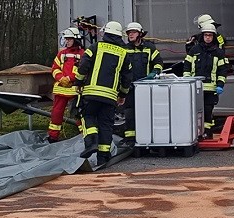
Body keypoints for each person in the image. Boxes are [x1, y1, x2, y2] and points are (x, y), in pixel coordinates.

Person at [74, 20, 133, 167]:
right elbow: (127, 77)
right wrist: (123, 95)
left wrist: (78, 82)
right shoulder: (124, 53)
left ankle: (91, 142)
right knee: (106, 124)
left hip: (92, 93)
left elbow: (83, 65)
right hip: (110, 97)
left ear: (106, 33)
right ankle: (103, 157)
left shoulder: (95, 47)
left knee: (87, 116)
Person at [184, 22, 228, 138]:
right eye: (206, 35)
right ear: (202, 36)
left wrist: (220, 85)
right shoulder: (194, 50)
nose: (208, 37)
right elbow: (187, 66)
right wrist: (187, 82)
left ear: (213, 37)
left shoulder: (218, 53)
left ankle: (207, 134)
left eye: (210, 35)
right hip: (195, 88)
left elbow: (222, 70)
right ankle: (195, 135)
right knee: (194, 112)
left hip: (211, 89)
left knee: (208, 112)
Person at [122, 22, 163, 146]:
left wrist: (154, 72)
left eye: (133, 32)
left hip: (145, 87)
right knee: (129, 113)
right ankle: (130, 138)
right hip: (129, 87)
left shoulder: (149, 48)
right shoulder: (125, 49)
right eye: (129, 33)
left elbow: (158, 63)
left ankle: (147, 137)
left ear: (140, 34)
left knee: (146, 112)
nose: (130, 35)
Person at [48, 27, 84, 143]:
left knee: (78, 113)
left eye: (69, 39)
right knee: (56, 113)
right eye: (66, 39)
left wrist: (70, 78)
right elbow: (54, 68)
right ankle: (53, 136)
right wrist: (60, 78)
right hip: (61, 88)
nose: (66, 41)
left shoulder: (83, 54)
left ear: (76, 39)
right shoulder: (61, 53)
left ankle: (84, 135)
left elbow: (83, 70)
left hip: (76, 89)